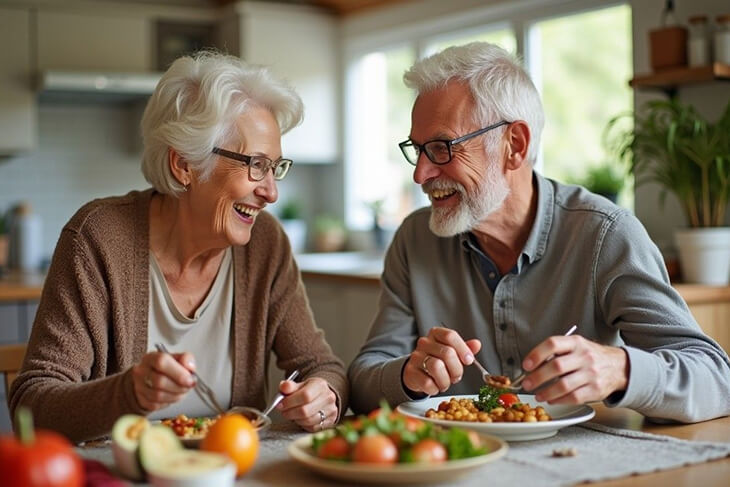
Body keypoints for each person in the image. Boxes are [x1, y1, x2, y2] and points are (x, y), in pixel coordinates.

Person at [348, 42, 730, 423]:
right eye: (418, 150)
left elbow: (717, 378)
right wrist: (407, 376)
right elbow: (364, 381)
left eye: (441, 147)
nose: (420, 173)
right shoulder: (414, 240)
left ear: (514, 145)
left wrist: (621, 370)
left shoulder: (604, 235)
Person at [9, 51, 347, 443]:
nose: (271, 192)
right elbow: (31, 407)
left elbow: (322, 366)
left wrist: (324, 393)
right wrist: (128, 394)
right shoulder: (98, 238)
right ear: (183, 164)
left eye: (275, 167)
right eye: (255, 165)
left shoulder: (265, 244)